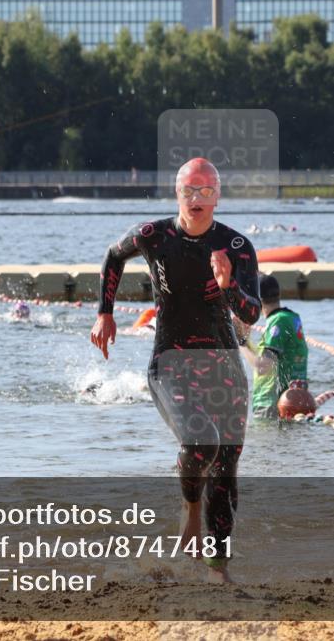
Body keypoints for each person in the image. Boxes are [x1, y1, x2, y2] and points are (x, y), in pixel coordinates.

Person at [90, 157, 261, 583]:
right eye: (189, 190)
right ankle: (189, 511)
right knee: (201, 441)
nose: (197, 198)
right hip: (170, 361)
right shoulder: (154, 235)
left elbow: (252, 313)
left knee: (226, 467)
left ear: (218, 196)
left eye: (206, 190)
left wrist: (228, 286)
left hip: (225, 366)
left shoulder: (237, 248)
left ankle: (218, 572)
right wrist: (104, 314)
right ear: (177, 194)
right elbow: (114, 255)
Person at [233, 274, 309, 421]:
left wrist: (240, 343)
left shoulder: (277, 322)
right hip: (294, 403)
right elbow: (272, 359)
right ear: (279, 294)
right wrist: (245, 339)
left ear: (256, 299)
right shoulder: (292, 318)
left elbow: (263, 366)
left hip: (272, 407)